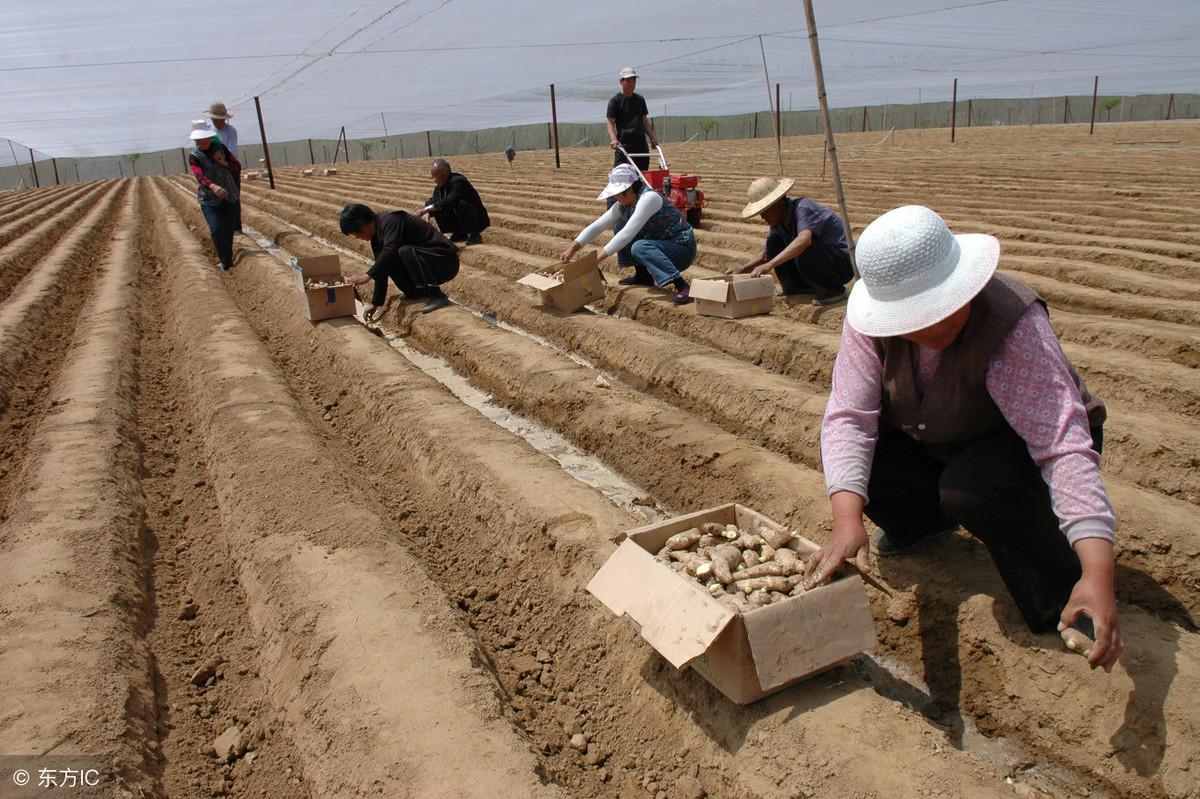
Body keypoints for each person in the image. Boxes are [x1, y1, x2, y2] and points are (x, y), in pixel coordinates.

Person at [804, 204, 1122, 673]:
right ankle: (920, 524)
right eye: (914, 317)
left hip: (1016, 444)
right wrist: (847, 520)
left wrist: (1099, 572)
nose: (933, 326)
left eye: (944, 307)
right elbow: (850, 418)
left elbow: (1062, 446)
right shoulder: (868, 325)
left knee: (973, 488)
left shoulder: (1010, 322)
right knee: (863, 459)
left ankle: (1063, 592)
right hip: (939, 432)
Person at [560, 164, 694, 305]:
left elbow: (626, 235)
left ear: (629, 189)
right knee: (620, 224)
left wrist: (594, 261)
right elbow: (598, 225)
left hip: (682, 247)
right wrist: (573, 248)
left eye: (618, 194)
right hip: (663, 244)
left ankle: (682, 286)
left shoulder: (649, 198)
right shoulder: (624, 205)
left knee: (639, 246)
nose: (616, 198)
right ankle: (642, 275)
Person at [729, 177, 853, 306]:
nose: (762, 217)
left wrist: (770, 264)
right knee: (773, 242)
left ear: (776, 205)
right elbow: (766, 252)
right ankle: (795, 287)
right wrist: (743, 268)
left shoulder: (804, 208)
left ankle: (833, 290)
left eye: (764, 211)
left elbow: (804, 240)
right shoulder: (778, 222)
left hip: (841, 263)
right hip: (823, 259)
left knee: (802, 246)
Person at [339, 203, 458, 317]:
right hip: (427, 261)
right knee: (387, 261)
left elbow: (391, 249)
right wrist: (375, 303)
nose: (358, 237)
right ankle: (415, 292)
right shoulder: (376, 239)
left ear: (361, 224)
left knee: (404, 251)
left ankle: (437, 295)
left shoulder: (389, 220)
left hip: (445, 259)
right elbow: (382, 269)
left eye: (355, 234)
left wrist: (368, 275)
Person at [187, 120, 240, 272]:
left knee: (229, 229)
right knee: (217, 229)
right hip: (209, 199)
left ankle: (228, 257)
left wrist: (223, 163)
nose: (202, 142)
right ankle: (225, 262)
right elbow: (199, 176)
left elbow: (237, 166)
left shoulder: (221, 149)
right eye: (198, 140)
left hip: (229, 195)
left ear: (210, 138)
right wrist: (213, 186)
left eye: (204, 139)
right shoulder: (194, 156)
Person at [417, 159, 490, 245]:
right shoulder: (440, 186)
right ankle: (459, 233)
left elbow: (450, 200)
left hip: (476, 217)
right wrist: (428, 212)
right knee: (437, 207)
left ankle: (474, 234)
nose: (435, 180)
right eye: (434, 177)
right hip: (459, 217)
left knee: (459, 204)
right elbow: (434, 200)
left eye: (438, 176)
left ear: (447, 171)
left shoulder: (458, 181)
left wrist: (425, 209)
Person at [606, 67, 657, 170]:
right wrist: (614, 140)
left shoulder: (640, 99)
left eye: (634, 81)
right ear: (621, 82)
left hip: (640, 144)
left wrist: (652, 137)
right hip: (624, 144)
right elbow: (610, 122)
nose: (632, 83)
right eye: (629, 81)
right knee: (621, 175)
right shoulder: (615, 101)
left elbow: (645, 121)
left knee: (642, 175)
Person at [203, 102, 242, 233]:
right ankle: (223, 225)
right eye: (216, 120)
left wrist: (222, 161)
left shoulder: (230, 131)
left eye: (221, 120)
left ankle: (237, 227)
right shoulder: (207, 131)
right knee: (217, 197)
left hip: (229, 167)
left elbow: (231, 150)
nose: (218, 122)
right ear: (212, 119)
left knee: (234, 196)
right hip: (213, 170)